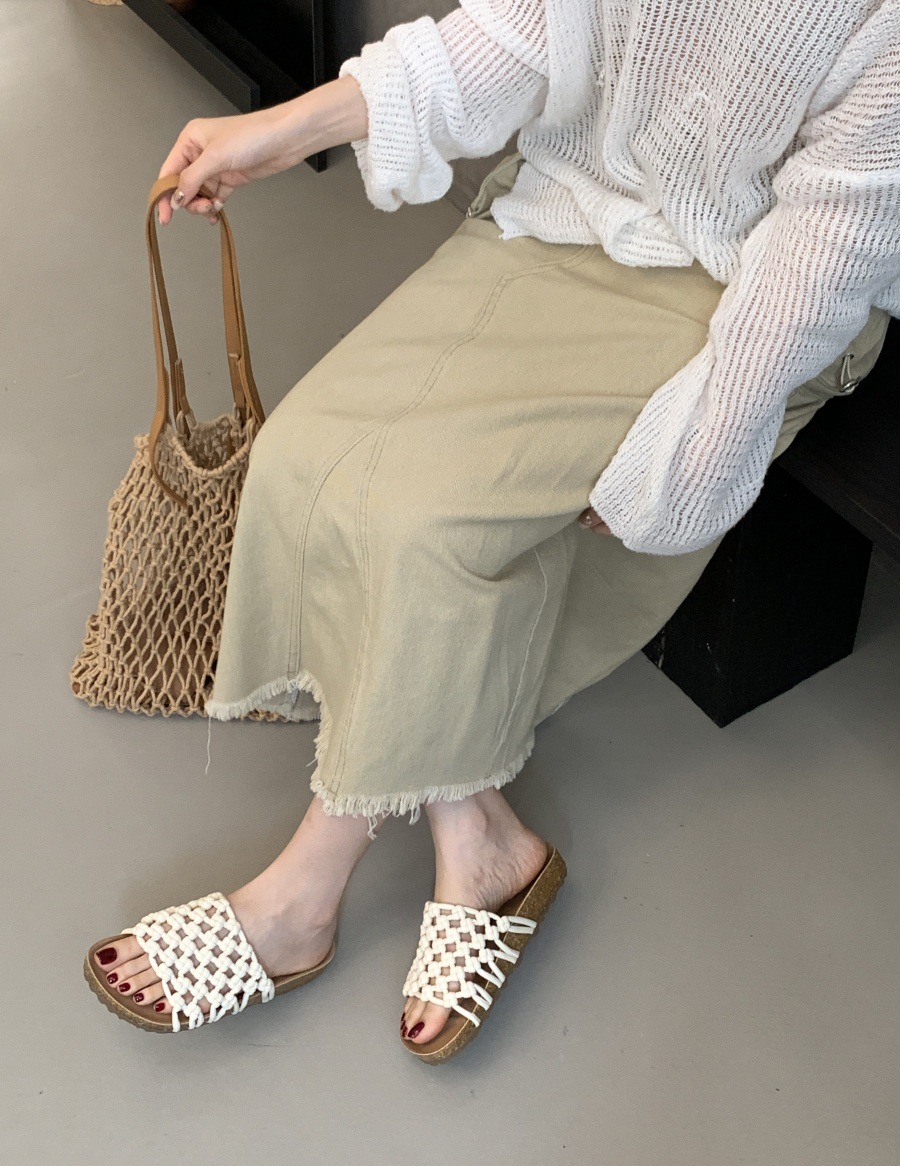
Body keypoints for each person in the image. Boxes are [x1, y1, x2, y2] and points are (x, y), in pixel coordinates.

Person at [84, 1, 899, 1058]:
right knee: (299, 456)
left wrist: (682, 472)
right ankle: (481, 841)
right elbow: (522, 34)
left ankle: (299, 895)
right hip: (562, 212)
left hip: (736, 299)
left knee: (423, 526)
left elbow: (820, 267)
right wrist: (284, 129)